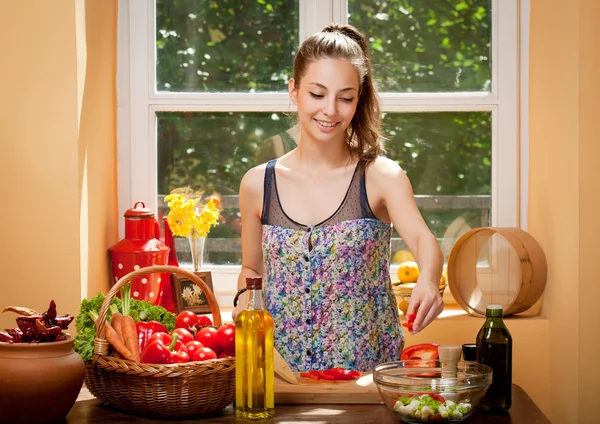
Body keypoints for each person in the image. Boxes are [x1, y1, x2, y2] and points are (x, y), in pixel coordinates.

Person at [232, 23, 444, 372]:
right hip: (279, 377)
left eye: (345, 97)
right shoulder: (258, 184)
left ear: (357, 101)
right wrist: (243, 302)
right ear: (294, 91)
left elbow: (423, 239)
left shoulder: (380, 176)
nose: (330, 110)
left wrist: (429, 280)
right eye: (317, 94)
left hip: (367, 380)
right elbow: (251, 267)